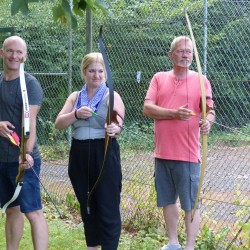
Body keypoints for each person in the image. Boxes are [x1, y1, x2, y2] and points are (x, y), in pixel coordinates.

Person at [143, 36, 215, 250]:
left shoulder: (201, 80)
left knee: (191, 205)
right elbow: (147, 108)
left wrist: (207, 123)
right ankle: (173, 243)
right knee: (167, 200)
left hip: (189, 155)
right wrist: (174, 114)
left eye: (189, 52)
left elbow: (210, 111)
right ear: (171, 54)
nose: (186, 55)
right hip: (162, 153)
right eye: (181, 51)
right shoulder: (159, 78)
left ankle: (190, 247)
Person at [55, 52, 125, 250]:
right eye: (92, 71)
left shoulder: (112, 95)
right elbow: (59, 123)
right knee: (87, 206)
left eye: (100, 71)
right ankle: (92, 246)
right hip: (79, 153)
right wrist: (75, 114)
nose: (96, 75)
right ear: (84, 72)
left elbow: (118, 121)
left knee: (107, 206)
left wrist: (115, 128)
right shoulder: (75, 97)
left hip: (103, 154)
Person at [0, 36, 48, 249]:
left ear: (25, 56)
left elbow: (30, 123)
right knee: (11, 209)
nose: (14, 56)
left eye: (19, 52)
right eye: (10, 51)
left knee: (33, 211)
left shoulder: (29, 83)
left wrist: (26, 154)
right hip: (1, 159)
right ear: (2, 53)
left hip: (23, 159)